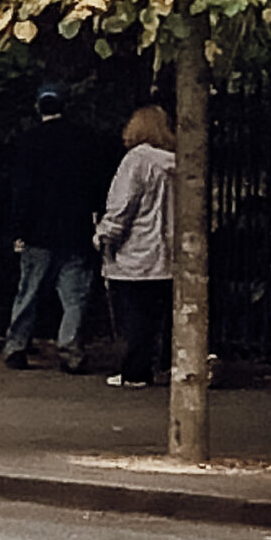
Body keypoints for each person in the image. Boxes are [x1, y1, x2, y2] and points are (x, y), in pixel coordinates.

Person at [1, 85, 106, 371]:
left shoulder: (29, 141)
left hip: (38, 230)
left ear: (38, 108)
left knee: (29, 290)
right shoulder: (84, 139)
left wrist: (19, 229)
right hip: (75, 230)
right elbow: (95, 184)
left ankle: (16, 346)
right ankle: (70, 351)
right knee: (74, 297)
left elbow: (22, 190)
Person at [94, 103, 178, 388]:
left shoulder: (137, 161)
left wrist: (105, 236)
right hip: (169, 253)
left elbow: (123, 204)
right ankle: (167, 364)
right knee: (160, 316)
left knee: (136, 317)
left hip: (136, 252)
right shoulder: (176, 164)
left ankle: (135, 372)